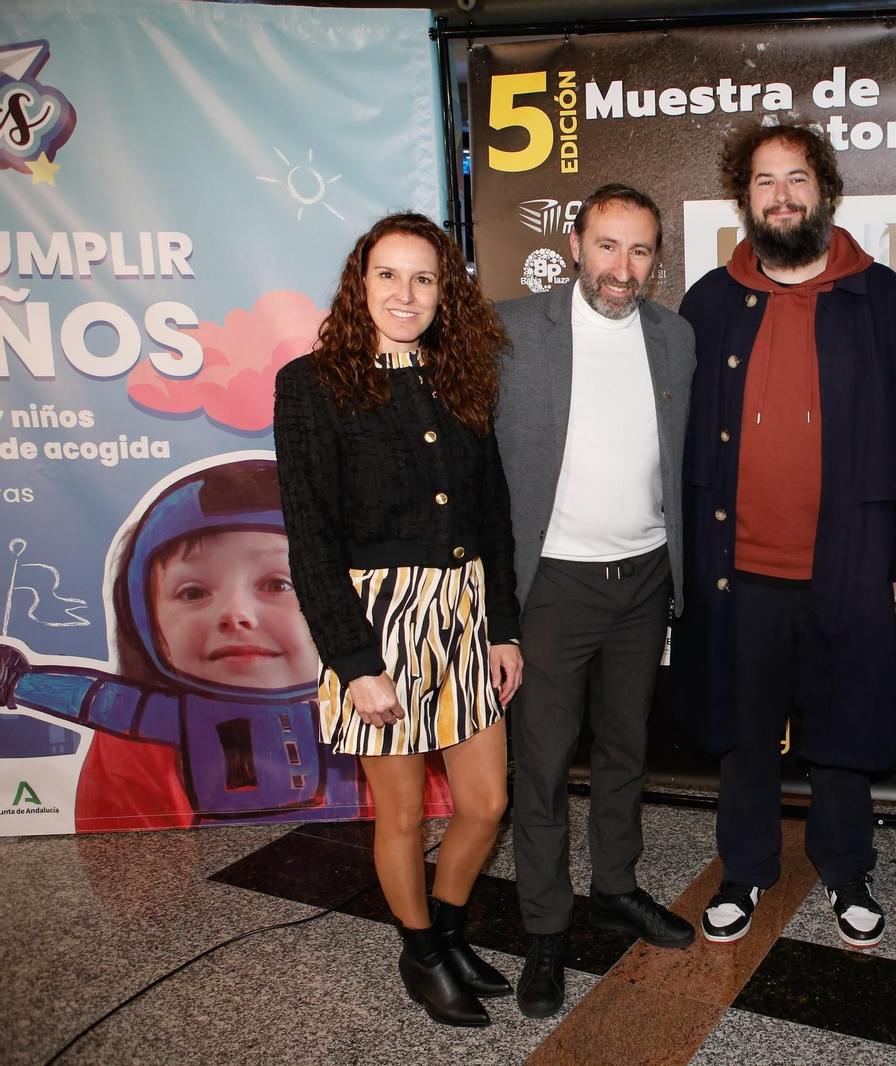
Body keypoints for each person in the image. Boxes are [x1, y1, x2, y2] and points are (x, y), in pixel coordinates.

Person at [674, 120, 896, 949]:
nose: (782, 195)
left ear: (824, 191)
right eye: (764, 181)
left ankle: (845, 868)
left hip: (852, 564)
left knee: (843, 731)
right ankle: (745, 870)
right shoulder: (710, 301)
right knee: (744, 734)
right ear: (743, 197)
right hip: (737, 566)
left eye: (797, 179)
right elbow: (675, 440)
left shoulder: (883, 297)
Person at [273, 212, 523, 1028]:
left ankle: (448, 931)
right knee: (405, 811)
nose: (406, 293)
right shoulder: (309, 385)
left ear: (445, 289)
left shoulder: (462, 376)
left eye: (424, 277)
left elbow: (493, 518)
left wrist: (503, 628)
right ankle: (420, 952)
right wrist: (355, 661)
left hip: (462, 614)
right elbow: (309, 538)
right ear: (361, 284)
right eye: (389, 275)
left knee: (486, 801)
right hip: (376, 628)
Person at [494, 183, 698, 1018]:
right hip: (552, 585)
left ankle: (616, 885)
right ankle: (545, 930)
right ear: (576, 244)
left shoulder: (675, 337)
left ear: (657, 258)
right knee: (540, 768)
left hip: (645, 577)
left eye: (641, 249)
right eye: (608, 246)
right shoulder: (510, 331)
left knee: (624, 751)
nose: (623, 267)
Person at [0, 458, 387, 831]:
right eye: (193, 591)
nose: (236, 615)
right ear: (143, 615)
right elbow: (97, 700)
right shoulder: (167, 723)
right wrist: (18, 682)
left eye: (278, 584)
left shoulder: (365, 702)